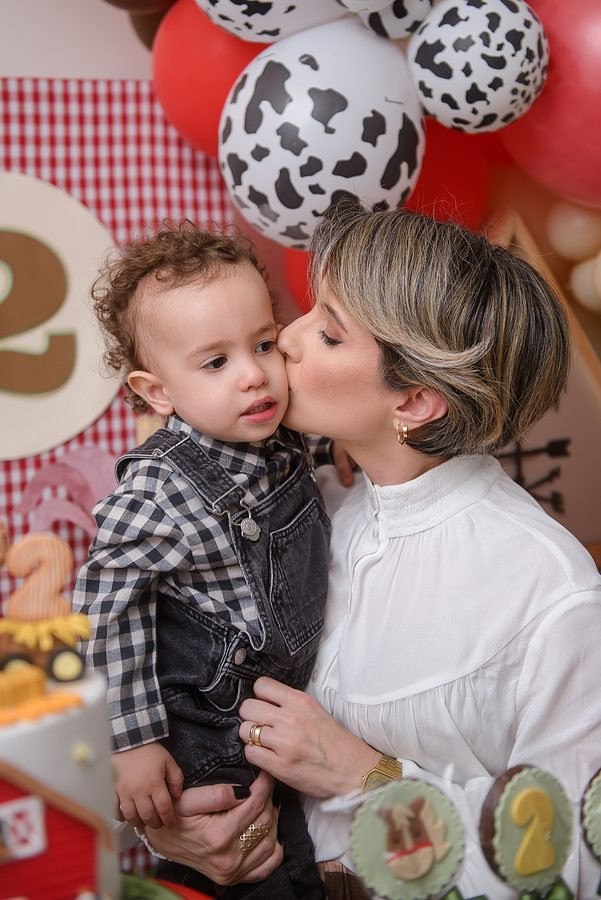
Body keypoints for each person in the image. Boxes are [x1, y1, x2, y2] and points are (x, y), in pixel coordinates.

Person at [140, 204, 601, 899]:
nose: (286, 339)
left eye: (328, 333)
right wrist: (176, 829)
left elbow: (570, 865)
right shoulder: (301, 506)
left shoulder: (546, 589)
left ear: (414, 402)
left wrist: (364, 776)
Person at [73, 220, 335, 898]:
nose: (253, 375)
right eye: (215, 362)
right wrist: (131, 742)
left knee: (291, 855)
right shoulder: (158, 489)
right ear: (157, 392)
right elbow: (103, 609)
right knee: (260, 866)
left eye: (264, 344)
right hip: (206, 729)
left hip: (273, 713)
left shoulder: (277, 439)